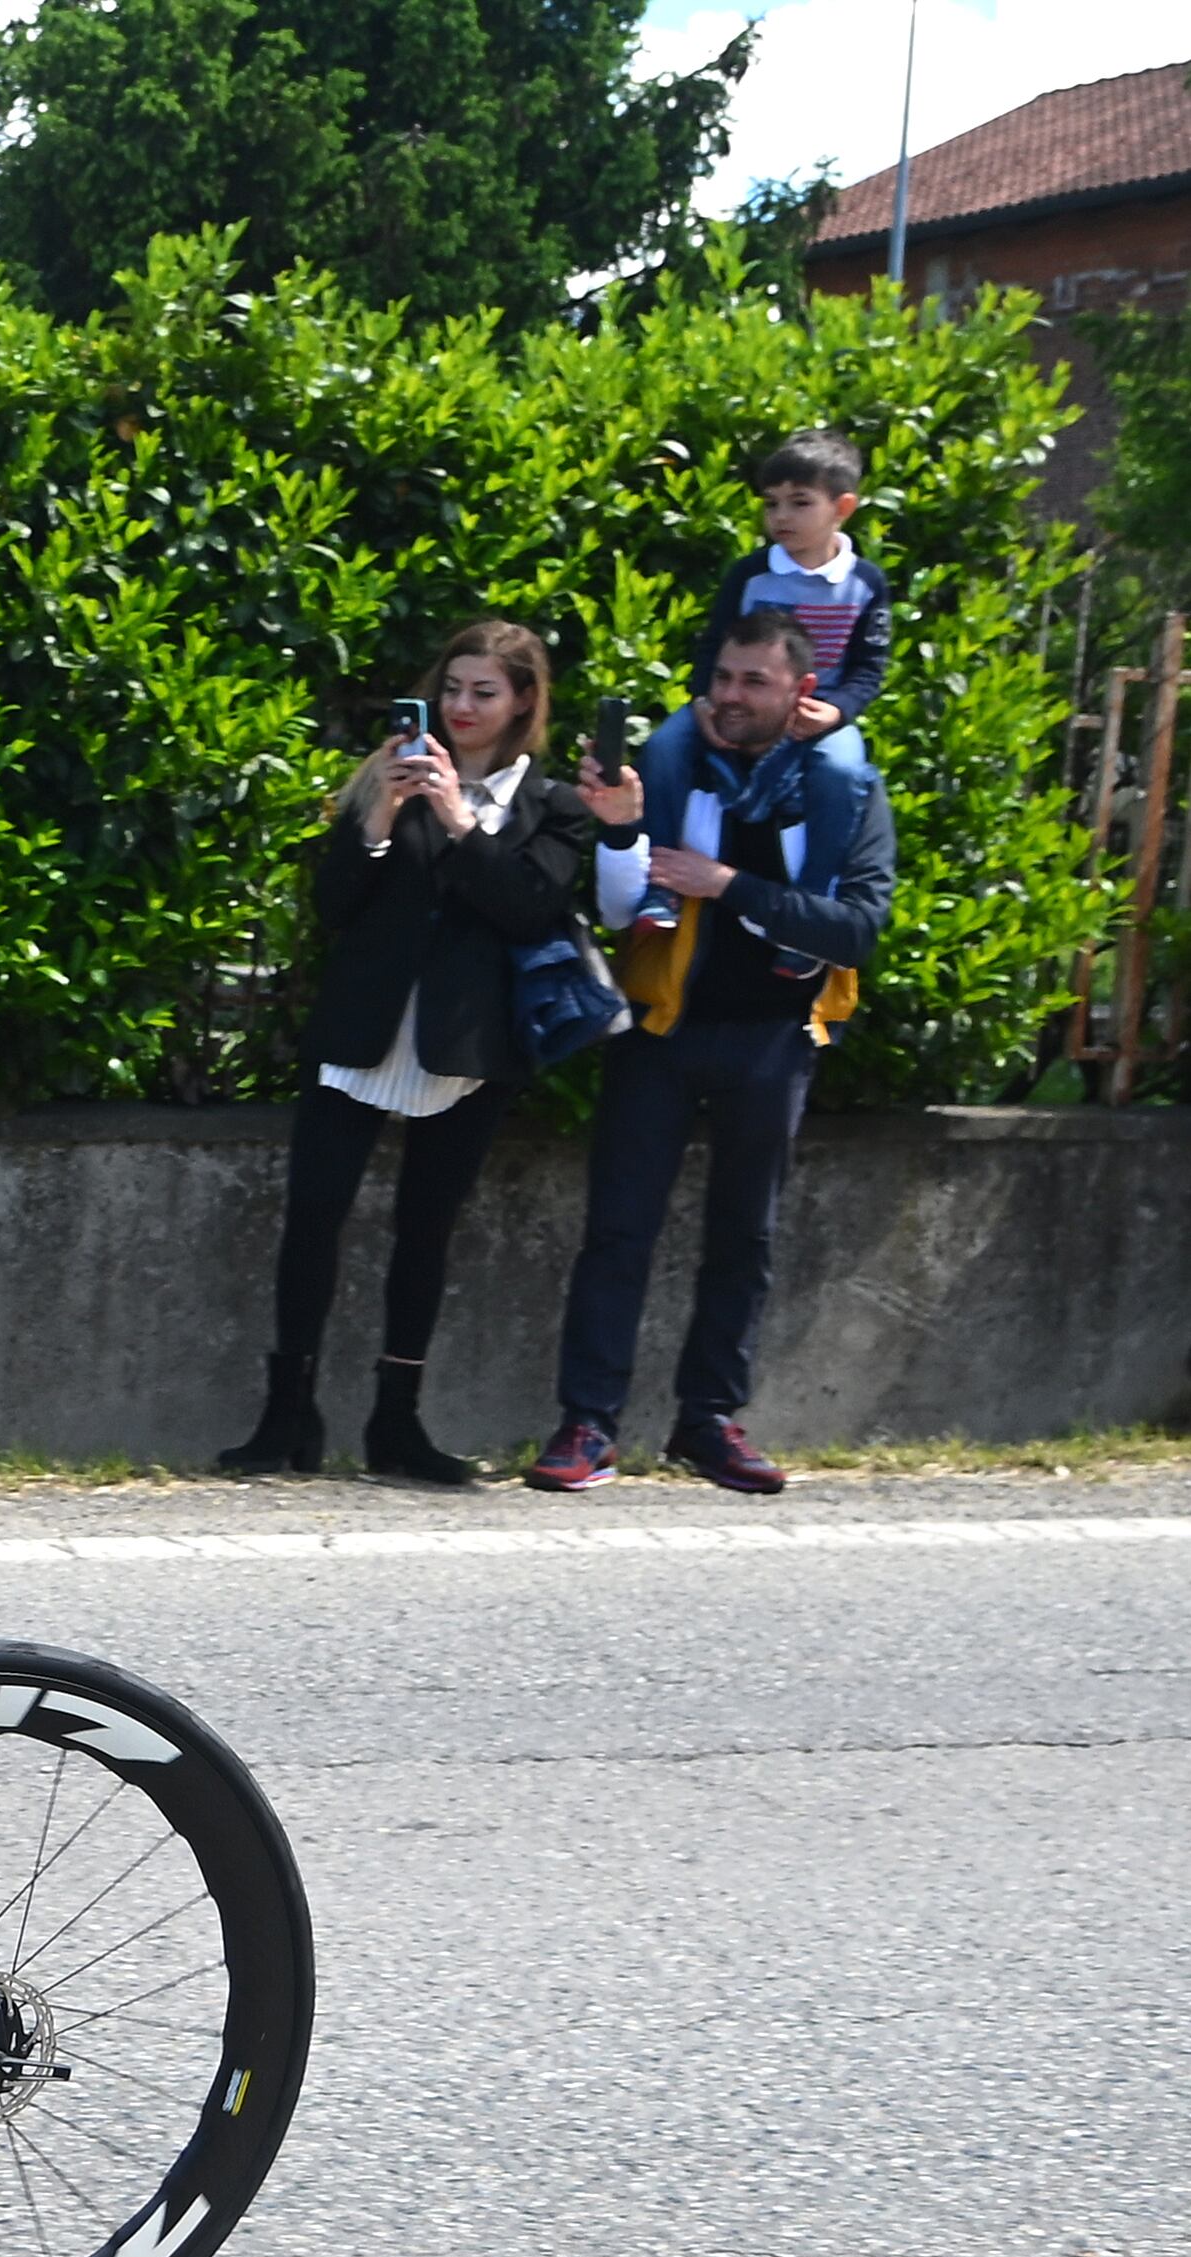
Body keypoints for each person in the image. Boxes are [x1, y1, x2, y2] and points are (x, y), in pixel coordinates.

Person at [219, 620, 601, 1485]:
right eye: (452, 687)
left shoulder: (552, 806)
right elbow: (333, 906)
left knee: (425, 1229)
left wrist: (462, 822)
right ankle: (287, 1415)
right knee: (312, 1215)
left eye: (484, 692)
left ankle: (396, 1420)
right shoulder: (384, 773)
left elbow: (526, 908)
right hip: (363, 1028)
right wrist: (382, 816)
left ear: (522, 701)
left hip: (465, 1043)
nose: (462, 706)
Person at [525, 611, 895, 1495]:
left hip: (776, 1037)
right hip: (660, 1029)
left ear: (801, 692)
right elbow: (620, 910)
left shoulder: (843, 788)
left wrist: (727, 885)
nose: (730, 696)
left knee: (743, 1237)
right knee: (617, 1232)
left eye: (753, 682)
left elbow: (856, 927)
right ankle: (587, 1424)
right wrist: (620, 831)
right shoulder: (673, 769)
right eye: (722, 678)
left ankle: (708, 1420)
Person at [630, 430, 894, 927]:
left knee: (841, 772)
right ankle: (659, 883)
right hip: (734, 702)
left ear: (843, 507)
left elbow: (869, 668)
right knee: (664, 749)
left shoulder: (866, 582)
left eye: (800, 502)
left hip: (818, 715)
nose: (781, 517)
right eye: (771, 504)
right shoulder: (749, 574)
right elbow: (713, 646)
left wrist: (836, 711)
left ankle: (814, 898)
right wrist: (704, 701)